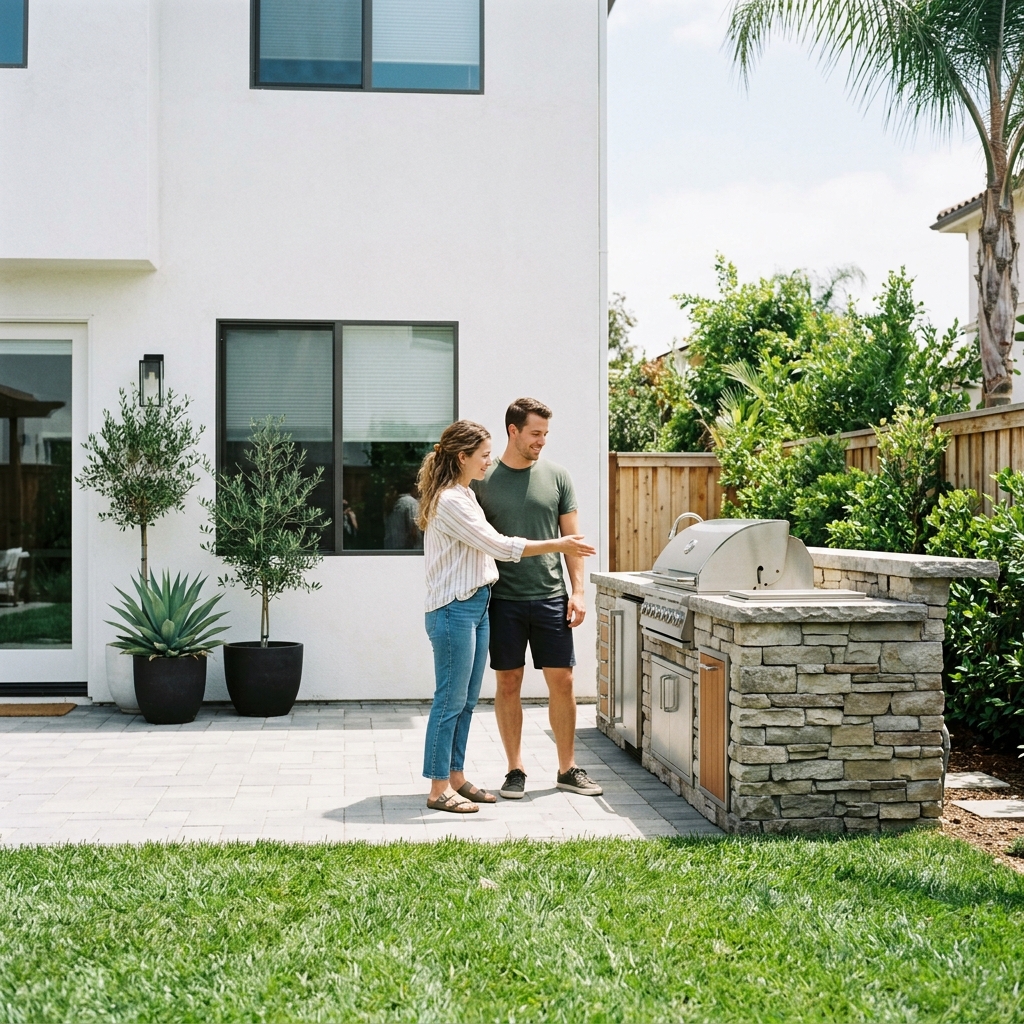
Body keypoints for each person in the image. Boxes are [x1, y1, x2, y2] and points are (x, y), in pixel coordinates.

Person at [417, 419, 595, 813]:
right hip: (454, 610)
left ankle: (456, 777)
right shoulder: (449, 500)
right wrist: (559, 543)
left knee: (463, 702)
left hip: (475, 606)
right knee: (449, 700)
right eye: (482, 456)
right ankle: (437, 787)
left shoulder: (464, 494)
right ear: (462, 457)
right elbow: (495, 544)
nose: (487, 463)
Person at [471, 398, 602, 799]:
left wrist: (578, 592)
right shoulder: (482, 478)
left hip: (550, 596)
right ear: (513, 431)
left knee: (562, 682)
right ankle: (515, 769)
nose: (542, 441)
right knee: (508, 682)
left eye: (545, 434)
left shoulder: (558, 476)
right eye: (535, 433)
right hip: (502, 599)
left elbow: (572, 543)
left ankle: (567, 768)